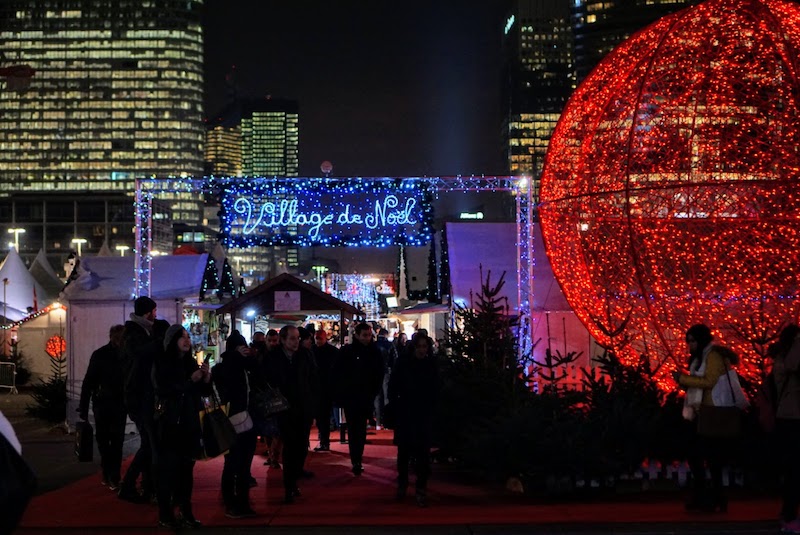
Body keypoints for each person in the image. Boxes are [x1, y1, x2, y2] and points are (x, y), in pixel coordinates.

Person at [673, 323, 739, 513]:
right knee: (699, 457)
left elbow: (709, 381)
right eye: (688, 341)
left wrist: (683, 379)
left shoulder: (713, 356)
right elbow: (699, 383)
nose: (689, 345)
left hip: (712, 411)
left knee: (712, 459)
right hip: (699, 412)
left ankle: (715, 498)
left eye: (692, 341)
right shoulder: (698, 359)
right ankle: (705, 496)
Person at [151, 324, 211, 529]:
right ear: (172, 340)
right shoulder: (163, 362)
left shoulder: (189, 361)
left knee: (186, 470)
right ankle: (166, 513)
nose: (186, 340)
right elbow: (164, 389)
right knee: (168, 469)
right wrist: (189, 381)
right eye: (181, 337)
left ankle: (186, 510)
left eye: (187, 336)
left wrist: (205, 377)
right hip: (170, 423)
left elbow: (202, 392)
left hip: (190, 421)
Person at [263, 325, 316, 504]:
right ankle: (289, 485)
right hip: (284, 408)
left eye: (297, 338)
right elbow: (266, 379)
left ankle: (294, 478)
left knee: (301, 446)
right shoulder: (273, 357)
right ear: (283, 340)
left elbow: (313, 378)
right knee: (290, 446)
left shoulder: (305, 355)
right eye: (292, 338)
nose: (296, 341)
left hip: (303, 407)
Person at [388, 333, 440, 507]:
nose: (422, 350)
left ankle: (420, 487)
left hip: (423, 413)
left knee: (423, 453)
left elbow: (436, 388)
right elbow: (393, 386)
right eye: (420, 346)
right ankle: (403, 484)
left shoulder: (431, 364)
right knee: (404, 452)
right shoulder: (403, 363)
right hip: (406, 412)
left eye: (425, 347)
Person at [213, 330, 258, 519]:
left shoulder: (224, 367)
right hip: (238, 419)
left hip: (230, 419)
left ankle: (233, 501)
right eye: (243, 347)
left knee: (233, 463)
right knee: (238, 463)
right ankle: (236, 503)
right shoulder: (236, 366)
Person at [118, 296, 160, 503]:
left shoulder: (141, 331)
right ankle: (130, 486)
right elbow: (140, 356)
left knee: (148, 444)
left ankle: (143, 485)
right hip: (139, 397)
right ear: (148, 312)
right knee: (148, 445)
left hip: (141, 396)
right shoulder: (135, 334)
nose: (156, 315)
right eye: (154, 311)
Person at [78, 324, 127, 490]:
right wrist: (83, 407)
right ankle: (110, 474)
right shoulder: (104, 355)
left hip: (112, 403)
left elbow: (88, 382)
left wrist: (84, 407)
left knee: (114, 441)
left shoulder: (107, 355)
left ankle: (112, 475)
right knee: (107, 441)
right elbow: (89, 381)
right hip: (105, 404)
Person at [333, 322, 384, 475]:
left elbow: (378, 374)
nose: (367, 339)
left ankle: (357, 458)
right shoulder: (348, 351)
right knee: (354, 428)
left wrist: (373, 391)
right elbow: (338, 373)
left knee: (360, 429)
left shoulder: (374, 352)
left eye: (369, 335)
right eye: (364, 335)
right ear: (357, 335)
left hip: (365, 396)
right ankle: (356, 458)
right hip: (351, 396)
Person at [773, 324, 800, 533]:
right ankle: (789, 513)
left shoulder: (783, 358)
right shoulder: (786, 361)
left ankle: (788, 511)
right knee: (793, 469)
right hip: (791, 418)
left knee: (792, 469)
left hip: (789, 417)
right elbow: (792, 365)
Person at [312, 329, 339, 451]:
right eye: (317, 338)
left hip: (325, 388)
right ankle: (324, 438)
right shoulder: (313, 351)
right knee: (322, 416)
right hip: (320, 387)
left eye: (319, 338)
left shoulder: (328, 351)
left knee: (323, 416)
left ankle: (324, 440)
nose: (318, 341)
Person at [374, 328, 397, 430]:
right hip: (387, 371)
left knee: (377, 397)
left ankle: (378, 422)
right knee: (387, 396)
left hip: (375, 373)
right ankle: (388, 421)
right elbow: (395, 358)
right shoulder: (389, 345)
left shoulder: (374, 345)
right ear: (386, 334)